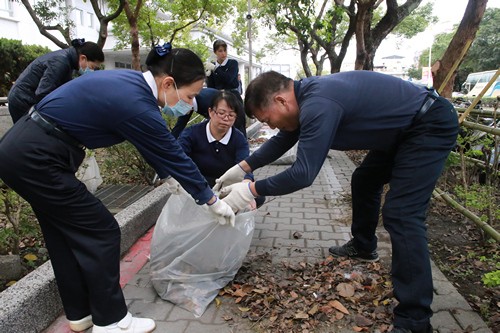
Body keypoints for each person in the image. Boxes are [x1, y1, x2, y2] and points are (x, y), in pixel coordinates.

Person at [0, 43, 234, 333]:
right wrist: (211, 200)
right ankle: (111, 321)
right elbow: (172, 153)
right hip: (37, 157)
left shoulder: (131, 85)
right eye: (190, 95)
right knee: (102, 230)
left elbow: (147, 143)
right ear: (169, 83)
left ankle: (80, 313)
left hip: (24, 150)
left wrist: (166, 176)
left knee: (62, 234)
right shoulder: (137, 103)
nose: (190, 103)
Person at [214, 70, 459, 333]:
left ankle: (414, 321)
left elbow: (303, 174)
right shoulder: (304, 100)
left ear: (281, 100)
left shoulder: (319, 103)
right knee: (364, 180)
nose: (271, 126)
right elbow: (281, 141)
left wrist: (250, 189)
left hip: (427, 123)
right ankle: (364, 246)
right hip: (400, 131)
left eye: (268, 119)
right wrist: (241, 167)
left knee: (402, 215)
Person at [177, 90, 265, 208]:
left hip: (226, 185)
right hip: (199, 184)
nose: (226, 118)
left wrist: (246, 184)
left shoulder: (238, 139)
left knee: (257, 196)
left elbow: (245, 165)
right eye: (221, 113)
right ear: (211, 112)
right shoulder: (191, 133)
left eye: (231, 115)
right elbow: (178, 158)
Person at [7, 38, 104, 124]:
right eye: (93, 67)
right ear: (83, 58)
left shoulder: (68, 62)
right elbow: (43, 92)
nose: (92, 71)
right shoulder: (60, 62)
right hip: (22, 100)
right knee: (30, 137)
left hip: (26, 98)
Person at [206, 39, 246, 137]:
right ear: (215, 52)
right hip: (219, 98)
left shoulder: (233, 63)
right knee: (221, 125)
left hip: (233, 96)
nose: (223, 53)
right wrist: (208, 74)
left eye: (225, 50)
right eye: (220, 51)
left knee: (239, 123)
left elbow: (228, 79)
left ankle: (242, 147)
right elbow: (211, 86)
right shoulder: (212, 65)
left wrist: (216, 69)